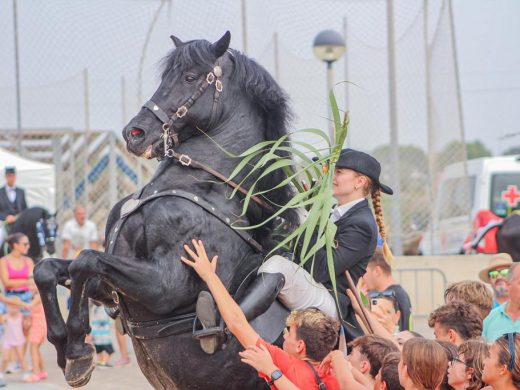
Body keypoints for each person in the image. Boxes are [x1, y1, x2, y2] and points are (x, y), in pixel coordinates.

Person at [195, 149, 393, 353]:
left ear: (359, 182)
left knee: (279, 267)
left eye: (339, 171)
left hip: (330, 299)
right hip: (312, 285)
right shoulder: (335, 210)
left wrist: (306, 221)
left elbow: (322, 270)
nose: (331, 176)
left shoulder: (362, 224)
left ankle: (225, 325)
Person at [182, 239, 341, 389]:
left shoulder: (286, 364)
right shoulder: (333, 377)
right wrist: (338, 358)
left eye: (289, 332)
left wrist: (209, 275)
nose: (284, 336)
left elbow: (237, 323)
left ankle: (218, 330)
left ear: (300, 346)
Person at [362, 250, 412, 331]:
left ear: (377, 271)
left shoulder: (388, 297)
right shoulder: (399, 293)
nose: (362, 277)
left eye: (364, 272)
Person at [0, 233, 35, 347]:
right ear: (15, 245)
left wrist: (20, 282)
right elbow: (6, 282)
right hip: (11, 298)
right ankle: (13, 360)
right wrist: (25, 281)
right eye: (25, 244)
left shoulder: (29, 261)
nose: (28, 246)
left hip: (28, 298)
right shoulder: (4, 261)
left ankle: (20, 361)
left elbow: (33, 282)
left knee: (26, 330)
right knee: (11, 330)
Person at [483, 262, 520, 341]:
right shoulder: (489, 317)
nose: (499, 277)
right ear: (508, 284)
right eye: (494, 274)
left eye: (504, 272)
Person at [23, 291, 47, 383]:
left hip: (38, 325)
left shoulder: (39, 295)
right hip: (38, 324)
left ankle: (35, 373)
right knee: (36, 349)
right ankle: (42, 371)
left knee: (33, 349)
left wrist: (16, 302)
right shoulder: (33, 296)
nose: (30, 287)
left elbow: (29, 306)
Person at [0, 300, 28, 378]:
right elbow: (1, 321)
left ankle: (26, 373)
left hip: (19, 340)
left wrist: (26, 323)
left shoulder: (21, 316)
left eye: (16, 307)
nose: (14, 309)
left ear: (19, 308)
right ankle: (1, 372)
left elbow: (26, 326)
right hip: (8, 341)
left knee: (21, 358)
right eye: (11, 307)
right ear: (7, 307)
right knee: (5, 358)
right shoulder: (6, 316)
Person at [90, 301, 115, 368]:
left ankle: (100, 362)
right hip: (104, 336)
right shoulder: (104, 309)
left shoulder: (94, 308)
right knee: (110, 351)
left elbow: (92, 322)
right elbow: (107, 320)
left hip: (96, 334)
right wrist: (111, 325)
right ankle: (103, 363)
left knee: (99, 350)